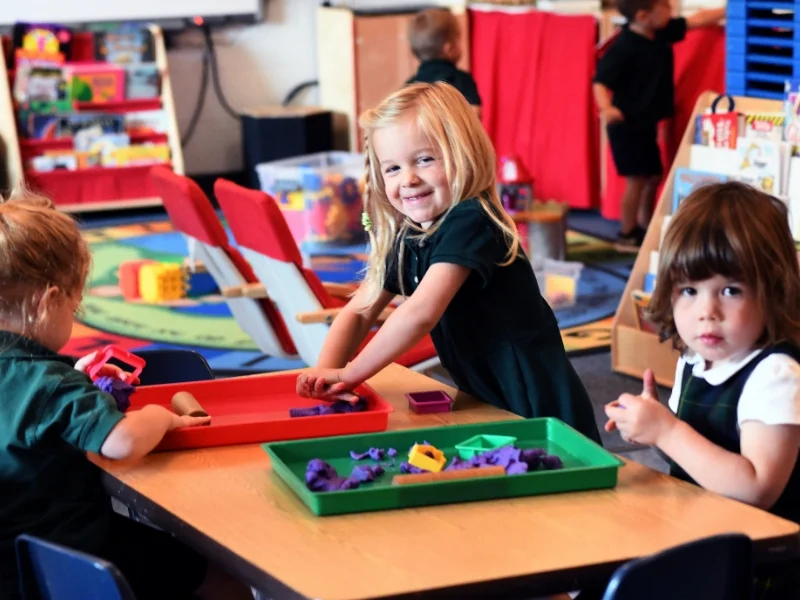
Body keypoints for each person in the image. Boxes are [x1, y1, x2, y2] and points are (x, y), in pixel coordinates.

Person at [295, 82, 600, 444]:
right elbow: (360, 312)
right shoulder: (409, 234)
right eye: (392, 168)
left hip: (533, 394)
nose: (407, 178)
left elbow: (421, 312)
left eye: (424, 159)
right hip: (483, 388)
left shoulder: (473, 219)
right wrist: (325, 374)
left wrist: (351, 373)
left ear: (462, 154)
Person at [0, 192, 249, 599]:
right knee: (225, 579)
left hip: (12, 568)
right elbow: (123, 442)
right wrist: (160, 415)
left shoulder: (45, 381)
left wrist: (76, 377)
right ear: (50, 302)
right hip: (74, 562)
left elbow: (23, 408)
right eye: (75, 307)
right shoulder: (51, 386)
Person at [605, 182, 800, 598]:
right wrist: (649, 426)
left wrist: (667, 432)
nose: (707, 312)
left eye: (731, 290)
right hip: (705, 537)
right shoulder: (697, 360)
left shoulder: (776, 374)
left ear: (773, 291)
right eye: (689, 291)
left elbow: (755, 488)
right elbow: (699, 459)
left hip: (763, 568)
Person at [593, 0, 725, 250]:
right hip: (626, 125)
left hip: (646, 123)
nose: (672, 11)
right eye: (665, 7)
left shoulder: (660, 32)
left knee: (653, 176)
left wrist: (729, 10)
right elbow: (600, 81)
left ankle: (645, 226)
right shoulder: (624, 46)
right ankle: (626, 233)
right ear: (643, 16)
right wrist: (607, 108)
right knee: (636, 179)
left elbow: (696, 19)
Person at [405, 8, 482, 115]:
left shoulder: (409, 86)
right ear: (449, 49)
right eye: (458, 40)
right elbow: (475, 114)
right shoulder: (462, 80)